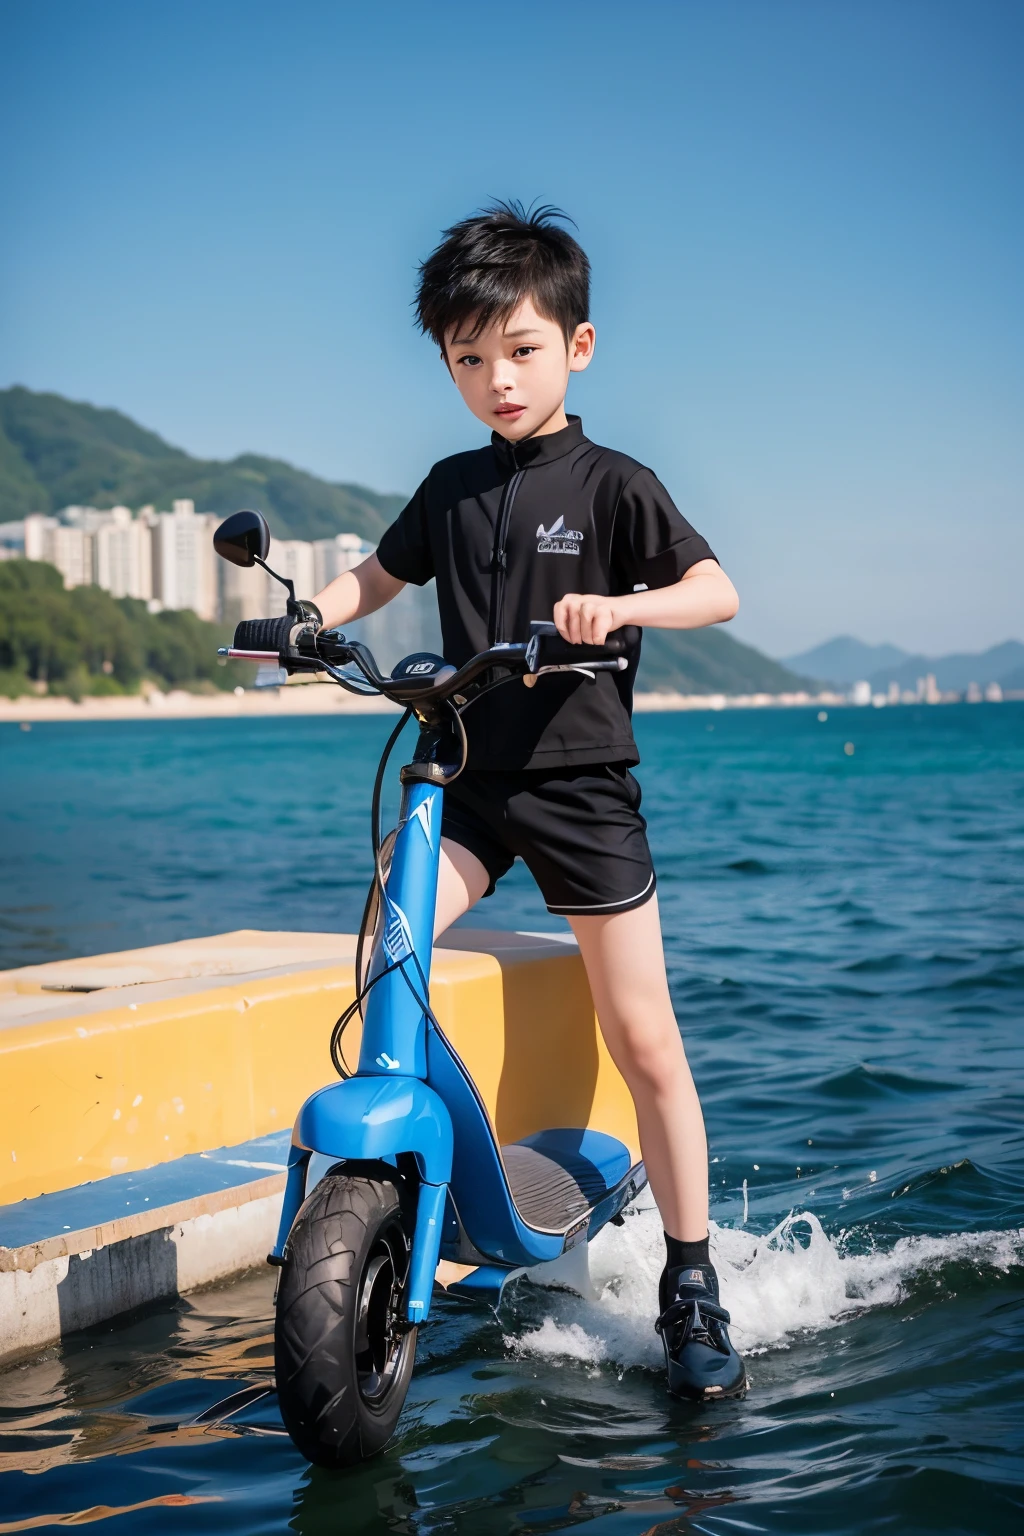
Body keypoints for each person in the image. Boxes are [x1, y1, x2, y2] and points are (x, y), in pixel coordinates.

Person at [312, 202, 745, 1401]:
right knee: (382, 954)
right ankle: (418, 1200)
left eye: (520, 350)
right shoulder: (450, 487)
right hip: (464, 775)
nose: (496, 379)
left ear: (578, 346)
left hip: (580, 787)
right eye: (467, 357)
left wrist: (625, 609)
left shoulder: (613, 483)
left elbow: (715, 590)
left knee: (643, 1037)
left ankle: (692, 1278)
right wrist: (306, 618)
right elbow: (377, 573)